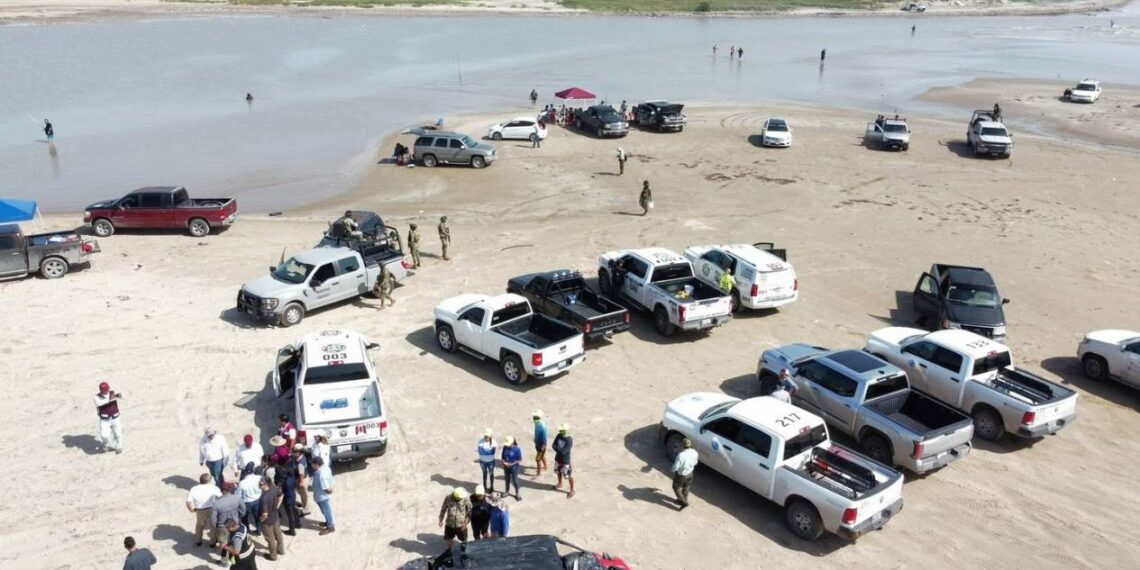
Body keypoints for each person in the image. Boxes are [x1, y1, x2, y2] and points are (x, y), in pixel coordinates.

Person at [186, 473, 222, 547]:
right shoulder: (214, 488)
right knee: (213, 525)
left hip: (200, 510)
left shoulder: (194, 489)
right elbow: (221, 497)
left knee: (199, 525)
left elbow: (188, 502)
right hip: (212, 508)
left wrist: (191, 509)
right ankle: (212, 542)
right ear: (209, 481)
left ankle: (198, 540)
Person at [210, 482, 245, 548]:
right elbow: (243, 511)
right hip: (235, 523)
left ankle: (224, 554)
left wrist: (216, 527)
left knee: (224, 542)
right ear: (231, 489)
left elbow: (213, 520)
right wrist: (238, 518)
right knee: (234, 540)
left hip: (222, 526)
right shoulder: (237, 498)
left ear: (221, 490)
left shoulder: (216, 503)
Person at [258, 477, 285, 560]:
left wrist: (261, 520)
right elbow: (281, 495)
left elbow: (265, 514)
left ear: (266, 484)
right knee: (278, 534)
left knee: (270, 539)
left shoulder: (264, 498)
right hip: (275, 517)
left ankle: (273, 556)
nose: (259, 485)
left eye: (260, 484)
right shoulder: (274, 488)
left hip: (267, 521)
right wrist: (276, 507)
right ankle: (280, 550)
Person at [93, 381, 123, 453]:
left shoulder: (112, 393)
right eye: (105, 390)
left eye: (107, 389)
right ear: (101, 390)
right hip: (105, 420)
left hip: (115, 418)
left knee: (118, 434)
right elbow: (99, 403)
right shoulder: (96, 397)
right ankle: (105, 445)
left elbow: (124, 396)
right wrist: (110, 399)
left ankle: (118, 447)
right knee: (104, 435)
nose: (107, 391)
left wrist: (119, 395)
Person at [671, 438, 699, 510]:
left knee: (676, 487)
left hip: (682, 475)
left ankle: (684, 503)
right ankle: (683, 499)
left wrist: (672, 470)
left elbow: (675, 467)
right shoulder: (695, 452)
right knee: (686, 487)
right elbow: (696, 463)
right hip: (691, 473)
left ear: (682, 445)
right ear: (690, 445)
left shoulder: (681, 455)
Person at [312, 456, 336, 535]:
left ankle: (330, 527)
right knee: (326, 510)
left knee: (326, 511)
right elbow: (331, 477)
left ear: (316, 464)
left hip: (321, 496)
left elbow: (325, 487)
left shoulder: (321, 474)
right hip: (321, 495)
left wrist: (329, 490)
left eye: (313, 464)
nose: (312, 466)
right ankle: (328, 522)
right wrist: (332, 486)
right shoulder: (326, 468)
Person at [238, 463, 263, 535]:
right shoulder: (259, 478)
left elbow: (238, 495)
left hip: (246, 502)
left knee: (245, 518)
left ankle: (247, 530)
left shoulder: (242, 483)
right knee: (257, 516)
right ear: (253, 470)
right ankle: (259, 530)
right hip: (257, 500)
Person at [552, 424, 575, 498]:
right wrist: (559, 449)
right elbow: (553, 445)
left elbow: (564, 451)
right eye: (560, 430)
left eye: (562, 431)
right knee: (558, 472)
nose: (560, 432)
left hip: (565, 461)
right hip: (558, 459)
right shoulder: (559, 435)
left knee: (568, 476)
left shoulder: (569, 439)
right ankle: (560, 483)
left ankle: (572, 490)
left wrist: (557, 449)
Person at [289, 443, 310, 515]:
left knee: (304, 495)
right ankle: (304, 505)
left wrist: (300, 483)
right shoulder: (302, 456)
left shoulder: (300, 463)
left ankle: (306, 510)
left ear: (299, 452)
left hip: (302, 480)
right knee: (302, 494)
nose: (293, 452)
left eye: (294, 451)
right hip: (302, 478)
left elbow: (301, 474)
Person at [532, 411, 548, 477]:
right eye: (534, 417)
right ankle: (545, 466)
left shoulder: (542, 426)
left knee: (538, 459)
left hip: (542, 445)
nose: (534, 419)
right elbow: (536, 432)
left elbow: (544, 437)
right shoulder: (537, 423)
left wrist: (543, 446)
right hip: (537, 444)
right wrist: (535, 439)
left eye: (536, 417)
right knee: (542, 456)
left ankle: (539, 472)